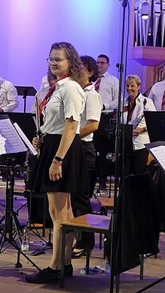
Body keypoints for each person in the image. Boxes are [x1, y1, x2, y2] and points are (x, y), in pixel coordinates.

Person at [25, 42, 87, 283]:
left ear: (70, 62)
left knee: (59, 212)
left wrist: (58, 159)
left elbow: (72, 125)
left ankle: (54, 267)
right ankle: (66, 262)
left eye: (58, 59)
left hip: (63, 149)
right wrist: (41, 138)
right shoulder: (56, 87)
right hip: (53, 144)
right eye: (50, 58)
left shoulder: (70, 88)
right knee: (62, 211)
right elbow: (55, 122)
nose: (53, 63)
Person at [71, 55, 102, 258]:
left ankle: (85, 242)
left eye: (79, 68)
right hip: (75, 147)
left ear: (90, 72)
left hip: (84, 148)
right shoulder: (75, 91)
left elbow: (93, 124)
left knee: (81, 198)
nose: (75, 71)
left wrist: (70, 136)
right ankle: (78, 237)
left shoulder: (92, 95)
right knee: (73, 197)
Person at [93, 54, 120, 190]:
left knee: (103, 151)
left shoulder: (113, 81)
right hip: (90, 116)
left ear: (108, 65)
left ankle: (102, 179)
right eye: (97, 62)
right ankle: (91, 177)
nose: (99, 65)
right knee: (91, 149)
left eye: (102, 63)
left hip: (104, 117)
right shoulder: (90, 79)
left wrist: (105, 106)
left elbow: (118, 100)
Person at [122, 74, 155, 175]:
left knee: (138, 173)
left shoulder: (147, 102)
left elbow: (154, 123)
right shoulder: (123, 102)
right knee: (126, 174)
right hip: (126, 143)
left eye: (132, 86)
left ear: (138, 86)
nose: (129, 88)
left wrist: (143, 129)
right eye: (127, 86)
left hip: (141, 144)